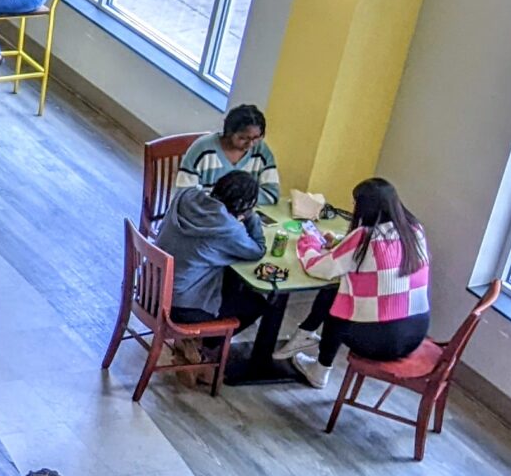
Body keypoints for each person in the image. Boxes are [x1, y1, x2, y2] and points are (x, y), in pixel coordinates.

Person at [286, 177, 432, 389]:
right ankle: (303, 336)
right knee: (342, 292)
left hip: (375, 342)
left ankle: (318, 366)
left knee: (337, 297)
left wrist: (308, 242)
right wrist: (340, 244)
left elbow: (320, 268)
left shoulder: (364, 237)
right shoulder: (414, 230)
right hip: (415, 334)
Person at [158, 169, 270, 334]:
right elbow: (258, 250)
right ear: (244, 205)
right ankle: (202, 344)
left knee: (231, 278)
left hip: (152, 289)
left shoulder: (185, 196)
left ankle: (194, 344)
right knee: (257, 304)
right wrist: (251, 216)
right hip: (179, 306)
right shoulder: (229, 228)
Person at [178, 104, 280, 208]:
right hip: (205, 214)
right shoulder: (202, 149)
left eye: (256, 138)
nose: (250, 144)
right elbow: (184, 194)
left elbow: (271, 193)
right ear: (229, 132)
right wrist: (231, 202)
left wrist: (235, 203)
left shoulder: (261, 152)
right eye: (243, 138)